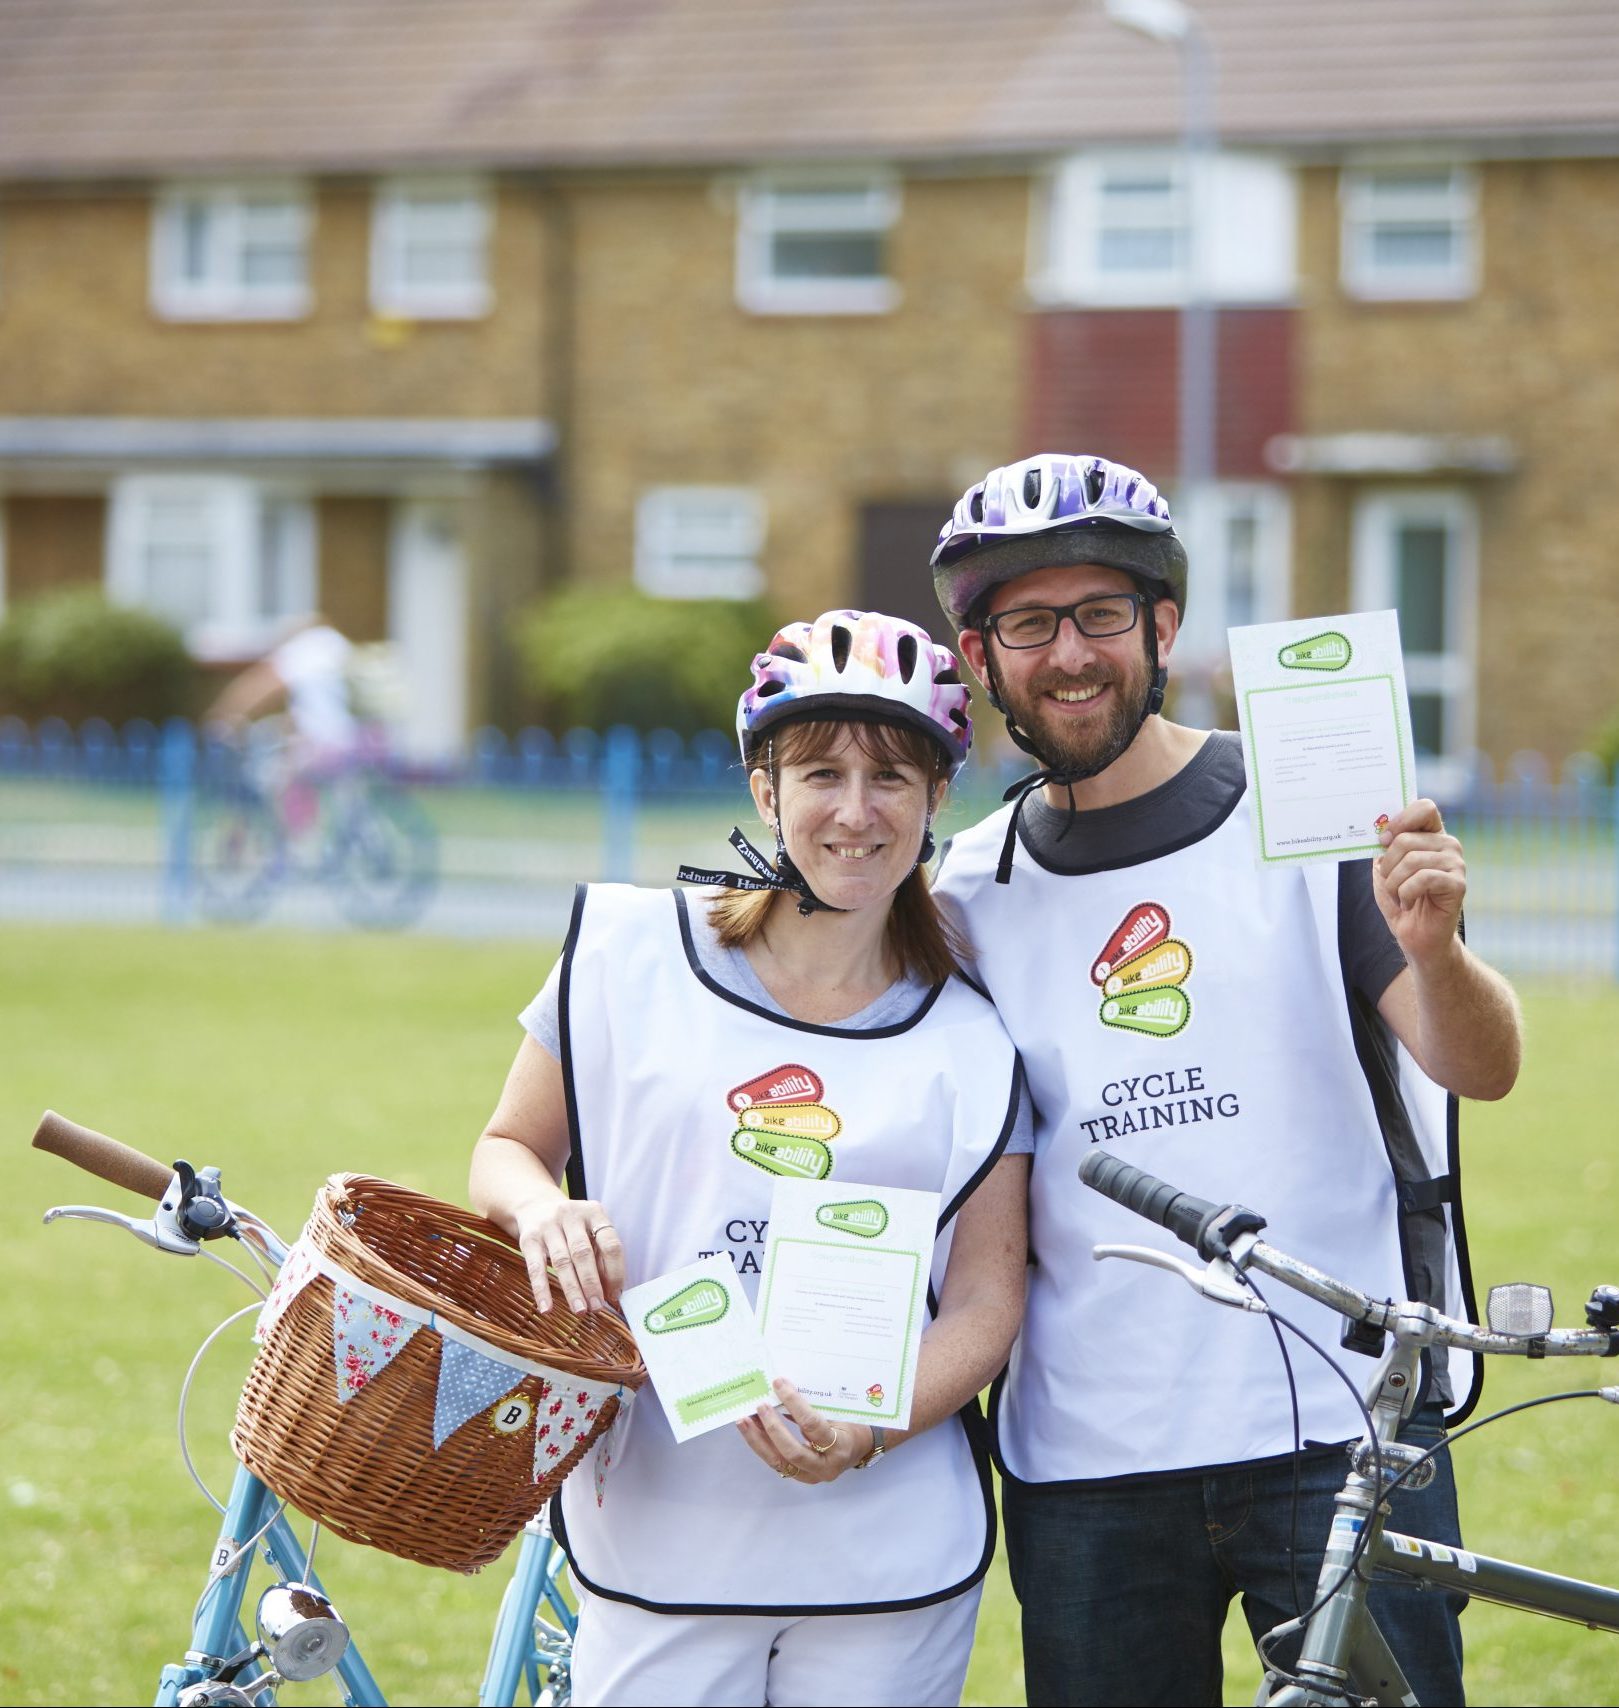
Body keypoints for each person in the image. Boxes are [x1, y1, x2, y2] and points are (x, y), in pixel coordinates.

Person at [927, 452, 1523, 1707]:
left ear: (1162, 626)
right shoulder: (965, 894)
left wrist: (1433, 946)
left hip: (1339, 1424)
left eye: (1098, 612)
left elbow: (1481, 1063)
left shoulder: (1306, 811)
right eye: (1026, 623)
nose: (1068, 652)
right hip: (1086, 1455)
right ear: (981, 658)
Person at [470, 609, 1032, 1708]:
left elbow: (984, 1301)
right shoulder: (627, 955)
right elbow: (507, 1150)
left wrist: (871, 1425)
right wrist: (543, 1212)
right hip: (660, 1525)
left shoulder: (975, 1036)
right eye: (819, 772)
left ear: (935, 802)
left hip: (887, 1552)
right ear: (763, 789)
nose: (856, 812)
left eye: (892, 778)